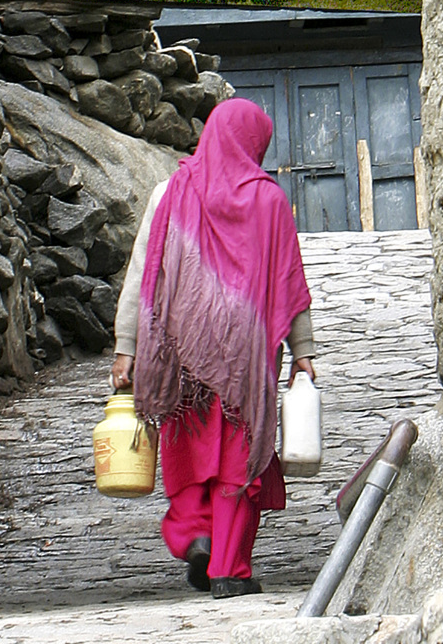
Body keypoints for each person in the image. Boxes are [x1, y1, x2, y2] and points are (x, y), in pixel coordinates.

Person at [110, 97, 316, 599]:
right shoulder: (268, 200)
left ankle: (193, 534)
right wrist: (304, 350)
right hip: (247, 360)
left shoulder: (170, 192)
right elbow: (290, 279)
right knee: (241, 459)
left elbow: (145, 274)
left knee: (188, 451)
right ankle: (229, 570)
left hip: (183, 354)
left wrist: (128, 345)